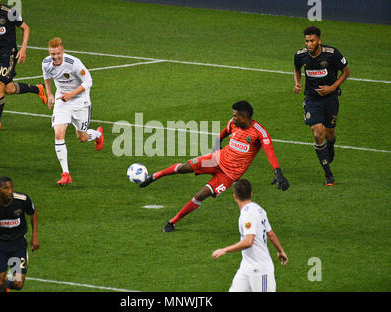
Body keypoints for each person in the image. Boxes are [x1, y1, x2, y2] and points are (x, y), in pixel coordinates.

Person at [140, 100, 290, 232]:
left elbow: (269, 151)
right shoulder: (233, 124)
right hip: (215, 160)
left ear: (244, 117)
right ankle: (155, 176)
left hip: (228, 176)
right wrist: (215, 150)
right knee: (184, 167)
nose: (232, 118)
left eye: (235, 115)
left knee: (201, 195)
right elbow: (222, 135)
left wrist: (277, 171)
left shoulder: (259, 132)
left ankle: (172, 222)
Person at [0, 0, 47, 132]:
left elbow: (25, 28)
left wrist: (23, 49)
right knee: (9, 89)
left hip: (9, 54)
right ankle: (38, 89)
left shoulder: (10, 12)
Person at [42, 37, 104, 186]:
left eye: (58, 53)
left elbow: (88, 81)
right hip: (61, 100)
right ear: (49, 53)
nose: (55, 57)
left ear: (63, 51)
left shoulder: (73, 63)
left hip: (80, 101)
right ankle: (66, 174)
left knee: (81, 137)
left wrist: (71, 95)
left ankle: (97, 134)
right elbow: (47, 77)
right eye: (52, 54)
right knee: (58, 132)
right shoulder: (46, 63)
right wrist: (49, 94)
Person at [293, 25, 349, 185]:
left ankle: (330, 145)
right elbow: (296, 68)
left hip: (331, 98)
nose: (308, 44)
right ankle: (328, 175)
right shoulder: (300, 55)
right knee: (318, 133)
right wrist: (297, 83)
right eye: (306, 41)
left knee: (329, 134)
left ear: (319, 41)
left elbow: (346, 71)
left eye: (312, 41)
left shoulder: (332, 54)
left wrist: (332, 88)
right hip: (312, 99)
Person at [212, 179, 288, 292]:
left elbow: (248, 241)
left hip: (260, 270)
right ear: (251, 194)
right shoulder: (259, 209)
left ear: (234, 196)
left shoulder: (248, 214)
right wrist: (280, 250)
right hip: (246, 268)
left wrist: (225, 250)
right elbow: (271, 234)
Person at [0, 176, 40, 292]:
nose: (10, 191)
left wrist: (34, 237)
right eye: (6, 188)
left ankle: (3, 284)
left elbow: (33, 214)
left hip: (18, 245)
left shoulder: (22, 200)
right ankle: (1, 285)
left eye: (11, 188)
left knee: (18, 284)